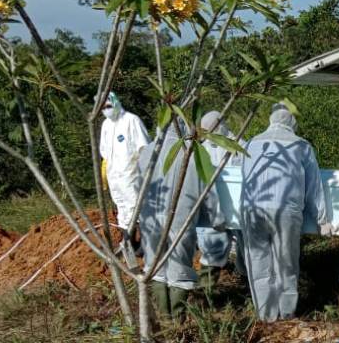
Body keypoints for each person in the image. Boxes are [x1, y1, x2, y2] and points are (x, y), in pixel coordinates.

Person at [240, 104, 332, 322]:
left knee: (257, 261)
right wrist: (323, 219)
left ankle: (265, 315)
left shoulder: (252, 143)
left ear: (271, 120)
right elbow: (314, 186)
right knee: (286, 262)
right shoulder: (301, 145)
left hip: (252, 209)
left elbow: (242, 177)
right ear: (292, 124)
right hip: (286, 210)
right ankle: (287, 313)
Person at [138, 119, 225, 319]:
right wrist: (217, 219)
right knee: (179, 266)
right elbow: (209, 191)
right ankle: (177, 321)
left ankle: (164, 317)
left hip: (149, 217)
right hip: (181, 217)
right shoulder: (194, 153)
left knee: (154, 264)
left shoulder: (147, 152)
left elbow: (137, 185)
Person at [196, 111, 247, 288]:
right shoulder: (202, 148)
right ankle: (206, 289)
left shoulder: (239, 146)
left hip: (239, 207)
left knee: (246, 247)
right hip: (215, 207)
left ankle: (246, 283)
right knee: (213, 246)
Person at [98, 92, 150, 231]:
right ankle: (128, 244)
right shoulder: (106, 126)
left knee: (136, 208)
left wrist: (144, 174)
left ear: (115, 102)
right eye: (103, 107)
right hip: (114, 177)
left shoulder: (131, 120)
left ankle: (144, 244)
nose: (106, 109)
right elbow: (105, 153)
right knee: (121, 208)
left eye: (109, 105)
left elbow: (145, 149)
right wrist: (105, 175)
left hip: (132, 176)